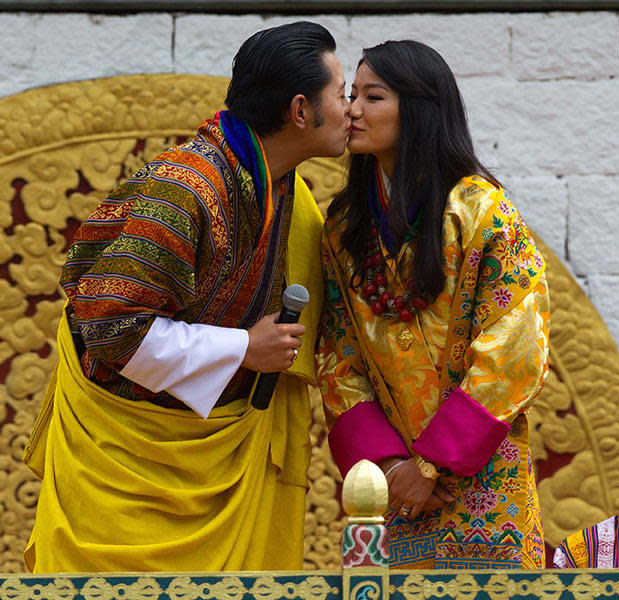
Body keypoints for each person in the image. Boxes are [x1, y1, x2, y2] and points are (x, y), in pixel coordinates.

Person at [22, 21, 351, 573]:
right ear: (300, 110)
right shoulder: (186, 189)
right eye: (341, 95)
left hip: (214, 455)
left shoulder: (281, 186)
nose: (350, 111)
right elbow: (111, 330)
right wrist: (243, 348)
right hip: (126, 472)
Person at [316, 40, 550, 570]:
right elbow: (337, 356)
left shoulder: (486, 214)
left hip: (483, 484)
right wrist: (392, 465)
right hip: (389, 492)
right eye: (352, 95)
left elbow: (514, 351)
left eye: (372, 97)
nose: (352, 109)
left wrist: (431, 465)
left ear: (419, 108)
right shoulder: (343, 227)